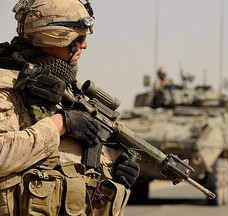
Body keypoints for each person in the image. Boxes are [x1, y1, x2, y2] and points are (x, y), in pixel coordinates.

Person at [0, 0, 140, 215]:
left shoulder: (65, 88)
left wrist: (111, 168)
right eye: (80, 38)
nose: (85, 45)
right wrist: (60, 124)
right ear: (56, 36)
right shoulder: (8, 85)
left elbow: (62, 162)